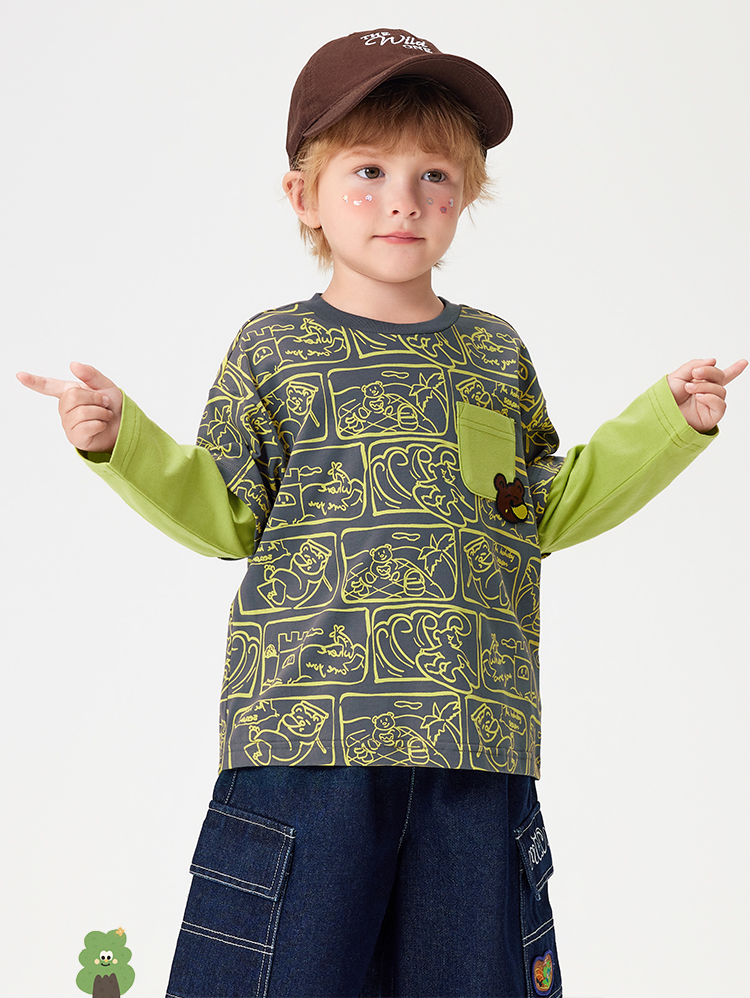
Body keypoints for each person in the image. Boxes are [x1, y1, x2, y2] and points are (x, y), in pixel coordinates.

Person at [17, 27, 746, 998]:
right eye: (368, 171)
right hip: (306, 743)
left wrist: (667, 423)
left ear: (467, 194)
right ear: (302, 195)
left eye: (434, 175)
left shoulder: (493, 353)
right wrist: (122, 441)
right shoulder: (274, 348)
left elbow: (538, 507)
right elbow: (224, 511)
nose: (404, 198)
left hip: (474, 746)